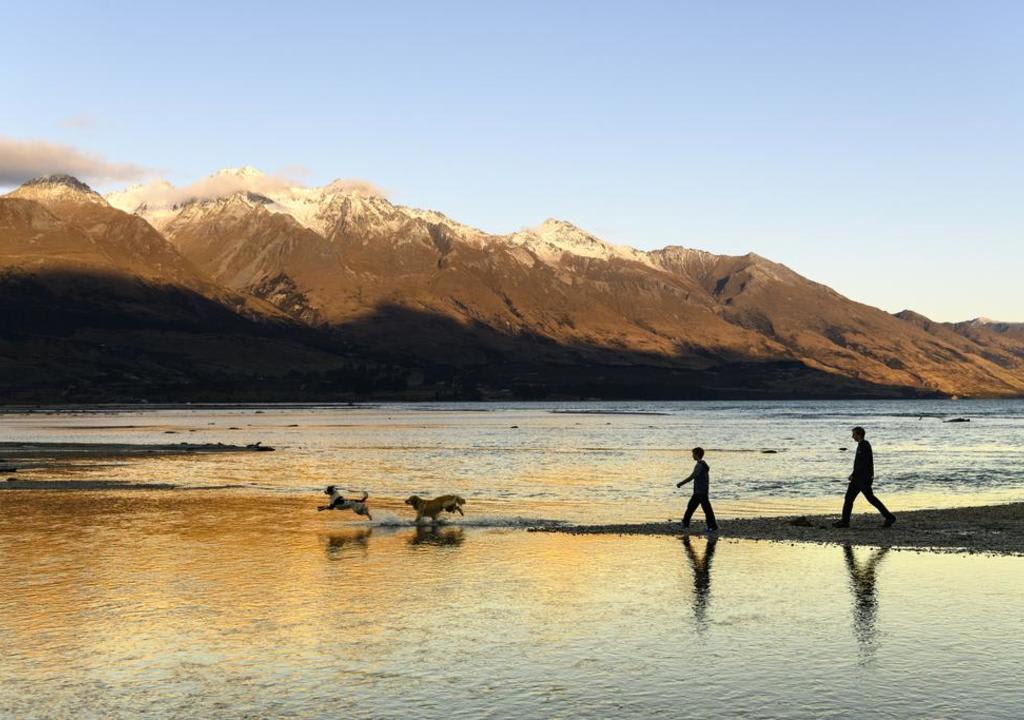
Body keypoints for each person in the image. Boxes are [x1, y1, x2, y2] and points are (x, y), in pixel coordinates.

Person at [833, 427, 896, 528]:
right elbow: (858, 463)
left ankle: (889, 517)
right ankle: (845, 521)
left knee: (871, 498)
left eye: (853, 434)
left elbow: (864, 463)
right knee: (849, 498)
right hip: (858, 478)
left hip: (863, 478)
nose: (852, 436)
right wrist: (853, 474)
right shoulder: (861, 445)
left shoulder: (865, 445)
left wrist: (855, 475)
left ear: (859, 434)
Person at [676, 446, 719, 532]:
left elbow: (692, 476)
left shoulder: (700, 465)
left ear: (697, 455)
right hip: (701, 491)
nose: (692, 456)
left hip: (700, 492)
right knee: (692, 507)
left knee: (705, 509)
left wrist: (681, 483)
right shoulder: (702, 464)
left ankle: (712, 526)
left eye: (693, 454)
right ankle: (685, 523)